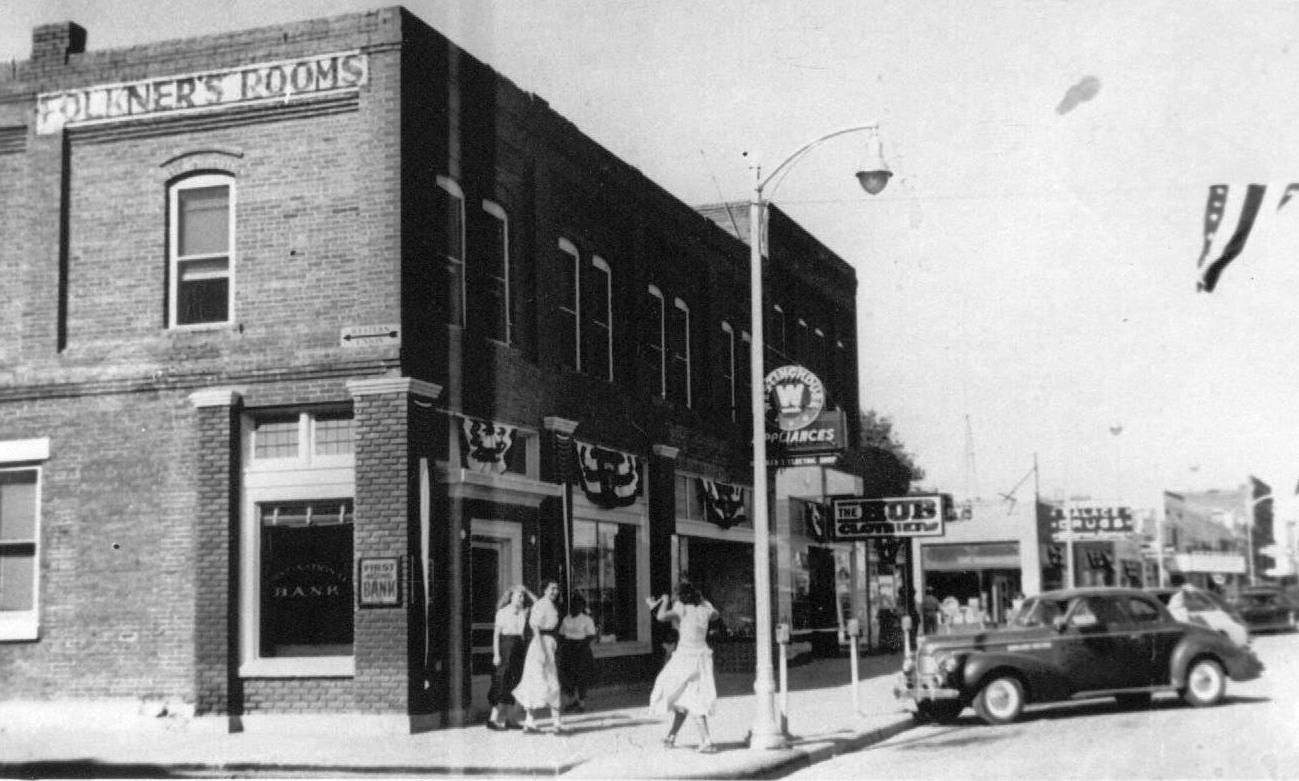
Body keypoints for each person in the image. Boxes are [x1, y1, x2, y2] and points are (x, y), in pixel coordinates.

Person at [647, 582, 718, 754]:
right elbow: (716, 614)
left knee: (671, 688)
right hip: (701, 657)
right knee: (685, 697)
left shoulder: (681, 607)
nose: (674, 597)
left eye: (676, 595)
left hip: (685, 657)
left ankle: (707, 741)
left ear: (681, 596)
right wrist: (702, 600)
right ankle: (671, 736)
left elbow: (660, 617)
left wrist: (663, 601)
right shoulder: (705, 610)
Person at [512, 580, 565, 734]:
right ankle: (535, 722)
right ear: (545, 590)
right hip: (540, 646)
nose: (555, 591)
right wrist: (542, 650)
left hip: (548, 644)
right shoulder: (542, 604)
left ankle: (551, 722)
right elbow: (535, 626)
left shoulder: (547, 604)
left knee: (549, 683)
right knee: (542, 682)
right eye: (551, 588)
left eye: (557, 588)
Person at [486, 585, 530, 730]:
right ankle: (493, 719)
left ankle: (509, 719)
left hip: (518, 646)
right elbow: (496, 634)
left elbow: (536, 603)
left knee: (515, 682)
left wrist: (527, 591)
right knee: (502, 682)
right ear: (511, 597)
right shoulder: (503, 613)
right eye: (519, 596)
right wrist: (496, 654)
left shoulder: (523, 613)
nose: (522, 599)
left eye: (523, 596)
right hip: (506, 647)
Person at [557, 594, 597, 713]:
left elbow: (591, 635)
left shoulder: (586, 619)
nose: (575, 607)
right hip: (568, 649)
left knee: (581, 677)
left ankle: (581, 703)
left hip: (581, 650)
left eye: (578, 605)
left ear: (582, 607)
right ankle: (572, 701)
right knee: (567, 677)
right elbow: (561, 635)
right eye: (573, 605)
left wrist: (580, 644)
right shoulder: (566, 619)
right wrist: (563, 646)